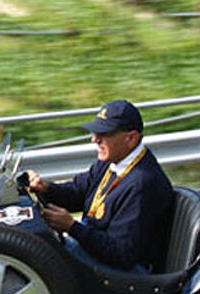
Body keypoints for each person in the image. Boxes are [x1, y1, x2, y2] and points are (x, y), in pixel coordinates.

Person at [25, 99, 174, 273]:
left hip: (130, 273)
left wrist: (73, 227)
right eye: (96, 132)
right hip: (98, 251)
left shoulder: (144, 184)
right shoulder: (111, 161)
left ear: (131, 139)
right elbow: (76, 193)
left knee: (45, 256)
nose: (94, 139)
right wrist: (45, 188)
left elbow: (122, 253)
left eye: (105, 134)